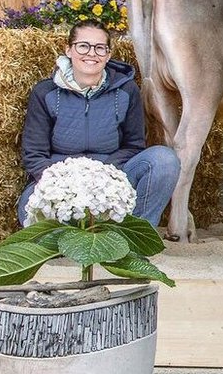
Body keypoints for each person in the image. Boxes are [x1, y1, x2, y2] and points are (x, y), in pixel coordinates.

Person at [19, 20, 180, 227]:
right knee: (28, 212)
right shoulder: (46, 93)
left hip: (111, 177)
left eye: (100, 48)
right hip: (62, 178)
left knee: (165, 159)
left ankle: (135, 233)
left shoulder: (126, 90)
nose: (91, 54)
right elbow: (34, 154)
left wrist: (102, 175)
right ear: (68, 50)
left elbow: (134, 145)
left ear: (108, 54)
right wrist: (67, 180)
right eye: (83, 46)